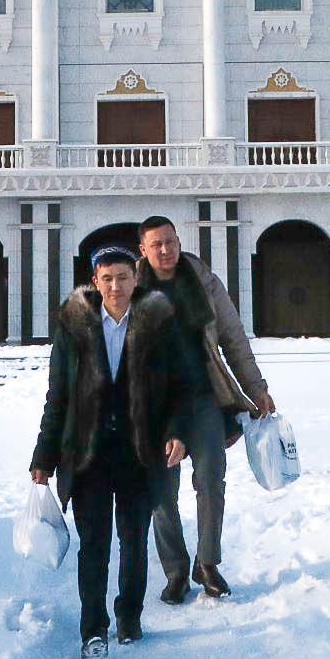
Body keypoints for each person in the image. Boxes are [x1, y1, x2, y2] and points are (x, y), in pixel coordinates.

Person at [29, 245, 198, 659]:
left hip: (140, 452)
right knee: (94, 544)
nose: (115, 286)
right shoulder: (73, 327)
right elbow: (58, 395)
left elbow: (181, 387)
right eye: (107, 278)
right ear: (95, 281)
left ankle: (129, 615)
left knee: (134, 539)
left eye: (123, 277)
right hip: (87, 454)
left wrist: (178, 432)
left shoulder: (159, 323)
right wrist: (43, 456)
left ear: (135, 278)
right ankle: (93, 630)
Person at [135, 215, 276, 603]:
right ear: (143, 251)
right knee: (162, 491)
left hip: (205, 397)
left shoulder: (202, 280)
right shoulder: (133, 289)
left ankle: (207, 563)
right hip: (157, 406)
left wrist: (256, 388)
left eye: (170, 241)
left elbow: (232, 335)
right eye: (156, 245)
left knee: (212, 480)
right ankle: (176, 570)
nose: (166, 250)